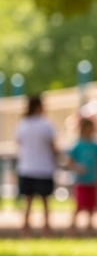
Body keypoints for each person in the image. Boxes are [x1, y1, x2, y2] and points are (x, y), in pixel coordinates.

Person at [15, 95, 57, 238]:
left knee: (27, 203)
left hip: (26, 168)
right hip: (44, 168)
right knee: (45, 203)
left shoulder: (22, 125)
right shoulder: (46, 125)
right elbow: (53, 147)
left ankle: (25, 232)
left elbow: (19, 145)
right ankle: (47, 232)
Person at [66, 118, 97, 236]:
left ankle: (90, 228)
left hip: (92, 180)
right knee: (79, 205)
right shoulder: (77, 145)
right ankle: (72, 227)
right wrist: (77, 168)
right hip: (81, 181)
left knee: (92, 206)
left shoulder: (95, 146)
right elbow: (69, 162)